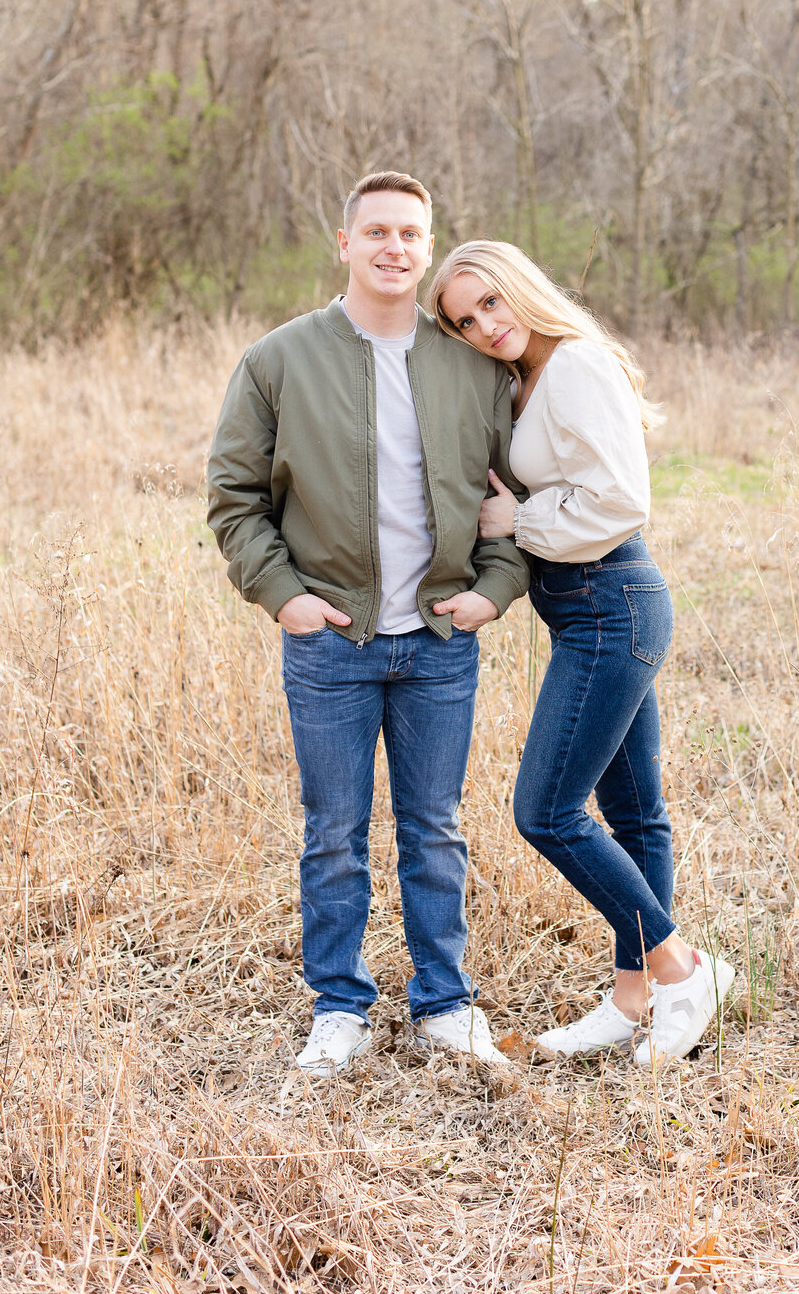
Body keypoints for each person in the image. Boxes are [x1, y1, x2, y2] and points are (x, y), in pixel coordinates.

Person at [207, 172, 528, 1078]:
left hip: (437, 641)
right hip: (330, 641)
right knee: (334, 830)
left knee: (434, 825)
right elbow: (233, 499)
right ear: (344, 243)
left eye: (411, 234)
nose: (395, 247)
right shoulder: (279, 360)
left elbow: (513, 499)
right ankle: (340, 1006)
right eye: (377, 231)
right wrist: (284, 598)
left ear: (428, 248)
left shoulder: (471, 367)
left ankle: (446, 1003)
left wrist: (493, 591)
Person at [429, 240, 734, 1067]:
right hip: (587, 611)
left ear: (521, 286)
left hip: (613, 603)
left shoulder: (575, 365)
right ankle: (634, 1001)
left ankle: (682, 971)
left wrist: (516, 524)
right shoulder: (528, 377)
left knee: (546, 811)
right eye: (464, 320)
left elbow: (622, 500)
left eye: (490, 302)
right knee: (635, 815)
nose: (484, 326)